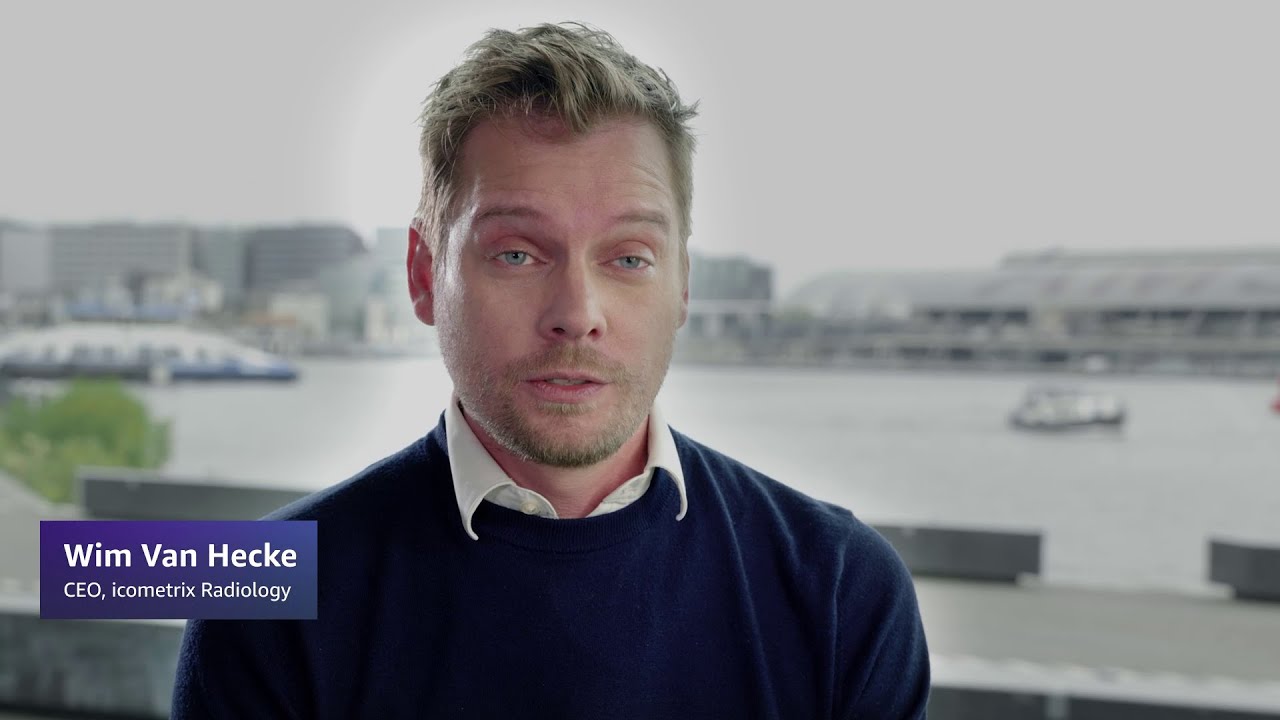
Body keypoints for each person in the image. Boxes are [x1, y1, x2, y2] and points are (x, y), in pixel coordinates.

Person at [171, 22, 930, 718]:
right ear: (423, 274)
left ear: (683, 287)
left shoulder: (840, 588)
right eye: (517, 254)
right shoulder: (264, 604)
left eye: (629, 257)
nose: (578, 311)